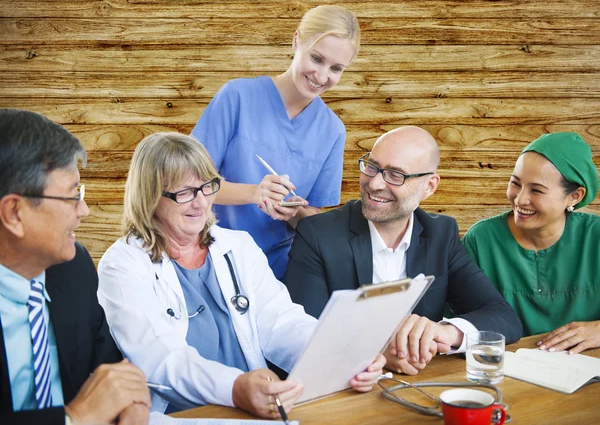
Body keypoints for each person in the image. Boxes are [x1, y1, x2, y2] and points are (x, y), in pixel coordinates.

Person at [97, 132, 384, 418]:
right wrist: (234, 388)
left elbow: (281, 322)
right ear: (149, 195)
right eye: (183, 192)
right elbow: (159, 359)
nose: (200, 203)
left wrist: (339, 354)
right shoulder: (122, 264)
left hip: (255, 405)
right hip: (178, 415)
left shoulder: (238, 246)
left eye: (207, 187)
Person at [285, 126, 522, 376]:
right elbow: (303, 333)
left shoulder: (440, 233)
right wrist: (376, 353)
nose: (374, 183)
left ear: (430, 186)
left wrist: (444, 331)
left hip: (416, 385)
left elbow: (504, 318)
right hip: (340, 390)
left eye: (395, 175)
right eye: (372, 166)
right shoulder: (317, 234)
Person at [0, 109, 150, 425]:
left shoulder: (74, 267)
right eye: (73, 195)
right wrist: (76, 418)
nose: (84, 211)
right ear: (14, 213)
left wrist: (130, 402)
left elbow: (107, 366)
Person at [190, 5, 360, 279]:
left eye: (336, 68)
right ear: (296, 41)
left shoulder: (332, 130)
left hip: (278, 272)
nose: (322, 76)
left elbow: (311, 215)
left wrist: (292, 212)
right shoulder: (237, 97)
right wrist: (254, 193)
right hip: (211, 258)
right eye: (316, 58)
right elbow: (188, 184)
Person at [463, 132, 600, 354]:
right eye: (515, 183)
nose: (520, 199)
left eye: (536, 190)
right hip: (506, 374)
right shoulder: (481, 240)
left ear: (574, 197)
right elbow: (460, 323)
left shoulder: (596, 237)